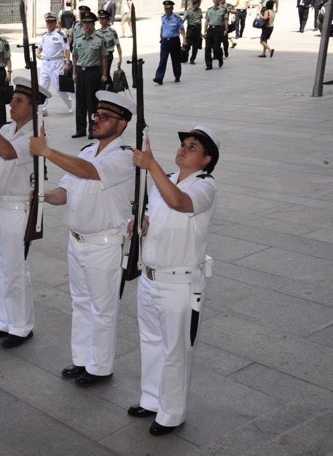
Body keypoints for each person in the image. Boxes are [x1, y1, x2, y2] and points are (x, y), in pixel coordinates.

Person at [30, 91, 136, 386]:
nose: (98, 121)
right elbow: (64, 192)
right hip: (76, 241)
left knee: (102, 309)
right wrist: (40, 196)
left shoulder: (124, 156)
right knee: (80, 303)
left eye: (106, 118)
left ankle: (100, 367)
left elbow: (89, 173)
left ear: (122, 124)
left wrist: (48, 151)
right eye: (96, 116)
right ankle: (81, 359)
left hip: (103, 244)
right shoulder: (87, 151)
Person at [127, 125, 219, 436]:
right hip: (151, 277)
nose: (183, 148)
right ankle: (152, 399)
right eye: (183, 143)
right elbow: (156, 214)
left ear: (206, 160)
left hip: (180, 284)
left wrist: (151, 165)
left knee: (175, 349)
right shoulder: (162, 180)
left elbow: (179, 203)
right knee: (151, 341)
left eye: (193, 147)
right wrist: (140, 224)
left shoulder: (205, 186)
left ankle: (172, 412)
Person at [0, 77, 51, 349]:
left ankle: (21, 326)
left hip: (18, 209)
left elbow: (6, 153)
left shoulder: (35, 136)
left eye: (18, 101)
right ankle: (4, 320)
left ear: (33, 107)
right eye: (13, 99)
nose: (11, 104)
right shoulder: (6, 128)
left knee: (15, 268)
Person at [71, 11, 106, 139]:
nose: (86, 25)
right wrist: (74, 72)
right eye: (84, 23)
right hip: (81, 72)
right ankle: (80, 130)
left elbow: (104, 57)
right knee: (80, 102)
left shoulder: (99, 39)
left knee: (92, 103)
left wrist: (104, 74)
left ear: (93, 24)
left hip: (93, 72)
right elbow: (74, 56)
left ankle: (93, 130)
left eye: (88, 23)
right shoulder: (78, 39)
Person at [37, 12, 73, 116]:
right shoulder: (44, 35)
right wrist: (38, 53)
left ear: (55, 23)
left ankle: (69, 103)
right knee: (42, 87)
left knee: (58, 87)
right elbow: (40, 47)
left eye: (52, 22)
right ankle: (42, 108)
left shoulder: (60, 35)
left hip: (56, 63)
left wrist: (67, 62)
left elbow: (67, 49)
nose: (49, 24)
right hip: (45, 64)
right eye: (48, 22)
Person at [153, 0, 186, 85]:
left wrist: (184, 40)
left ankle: (177, 76)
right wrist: (161, 38)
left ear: (172, 8)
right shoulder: (163, 17)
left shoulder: (177, 18)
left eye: (168, 9)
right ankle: (159, 78)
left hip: (174, 41)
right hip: (165, 42)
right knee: (162, 60)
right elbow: (162, 28)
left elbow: (182, 29)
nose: (166, 10)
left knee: (175, 60)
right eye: (165, 9)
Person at [97, 10, 123, 91]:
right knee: (101, 73)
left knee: (106, 72)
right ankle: (108, 87)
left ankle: (109, 88)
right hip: (99, 56)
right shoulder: (97, 32)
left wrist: (120, 59)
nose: (101, 20)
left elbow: (118, 45)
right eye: (100, 18)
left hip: (108, 55)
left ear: (107, 19)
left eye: (104, 18)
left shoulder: (112, 32)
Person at [203, 0, 228, 70]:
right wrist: (204, 31)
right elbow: (207, 21)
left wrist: (226, 29)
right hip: (210, 29)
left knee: (216, 47)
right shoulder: (209, 10)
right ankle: (209, 65)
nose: (216, 1)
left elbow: (226, 19)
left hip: (218, 30)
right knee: (207, 48)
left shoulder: (223, 9)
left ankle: (220, 58)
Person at [183, 0, 203, 64]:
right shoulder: (188, 11)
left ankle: (192, 59)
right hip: (191, 29)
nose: (199, 5)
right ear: (195, 3)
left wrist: (200, 32)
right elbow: (183, 20)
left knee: (196, 46)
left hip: (198, 29)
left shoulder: (200, 10)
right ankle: (184, 57)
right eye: (198, 3)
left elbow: (200, 21)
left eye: (199, 3)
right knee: (187, 45)